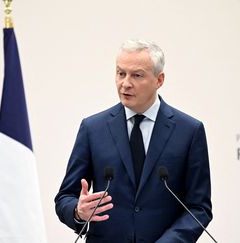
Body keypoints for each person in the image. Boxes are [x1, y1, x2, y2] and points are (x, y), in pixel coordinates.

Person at [55, 39, 213, 243]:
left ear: (159, 79)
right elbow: (65, 197)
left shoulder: (189, 131)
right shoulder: (93, 128)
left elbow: (199, 208)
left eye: (137, 75)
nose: (125, 83)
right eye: (121, 73)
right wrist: (78, 212)